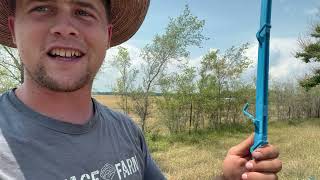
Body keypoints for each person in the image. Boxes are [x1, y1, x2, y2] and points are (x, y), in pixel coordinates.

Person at [0, 0, 282, 179]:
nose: (64, 28)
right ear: (14, 29)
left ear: (107, 36)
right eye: (42, 8)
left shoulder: (126, 130)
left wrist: (228, 179)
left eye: (83, 11)